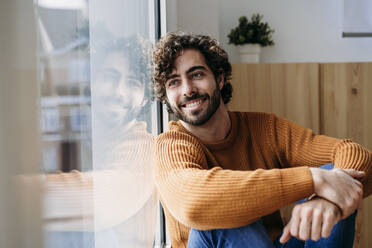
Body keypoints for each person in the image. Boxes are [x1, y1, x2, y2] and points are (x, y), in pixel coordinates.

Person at [152, 32, 372, 248]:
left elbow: (354, 154)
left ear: (219, 78)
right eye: (174, 82)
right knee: (221, 211)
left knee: (337, 173)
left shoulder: (263, 129)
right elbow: (194, 202)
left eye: (197, 75)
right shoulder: (170, 145)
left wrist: (327, 200)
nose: (187, 89)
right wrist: (313, 180)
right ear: (167, 95)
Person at [42, 36, 158, 248]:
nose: (118, 92)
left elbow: (103, 201)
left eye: (132, 82)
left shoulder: (143, 147)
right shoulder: (85, 138)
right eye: (109, 77)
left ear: (144, 97)